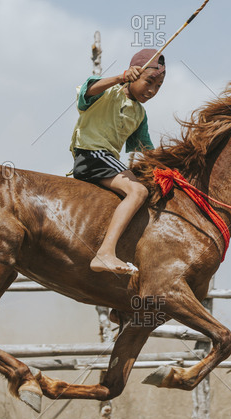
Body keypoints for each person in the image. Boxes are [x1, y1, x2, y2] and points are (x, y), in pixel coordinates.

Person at [70, 48, 165, 275]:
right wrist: (119, 77)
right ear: (134, 74)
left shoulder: (140, 114)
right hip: (92, 154)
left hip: (106, 161)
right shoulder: (108, 91)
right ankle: (104, 253)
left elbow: (146, 150)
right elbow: (87, 90)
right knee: (138, 192)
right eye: (149, 82)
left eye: (158, 87)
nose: (152, 91)